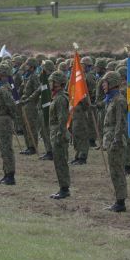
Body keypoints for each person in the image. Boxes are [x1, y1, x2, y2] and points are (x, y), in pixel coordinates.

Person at [101, 71, 128, 212]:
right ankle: (118, 199)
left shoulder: (119, 100)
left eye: (105, 83)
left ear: (112, 83)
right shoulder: (111, 99)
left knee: (117, 171)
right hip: (111, 140)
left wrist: (116, 140)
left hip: (116, 142)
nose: (103, 85)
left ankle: (120, 202)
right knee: (114, 171)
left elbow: (120, 123)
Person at [0, 62, 18, 185]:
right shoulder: (0, 88)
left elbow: (11, 105)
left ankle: (10, 176)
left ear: (2, 75)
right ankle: (6, 174)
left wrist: (10, 119)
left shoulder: (4, 89)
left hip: (4, 121)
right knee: (3, 147)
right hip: (0, 120)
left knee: (6, 148)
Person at [48, 70, 71, 199]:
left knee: (61, 161)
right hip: (56, 132)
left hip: (59, 133)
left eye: (52, 81)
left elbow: (62, 119)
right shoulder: (56, 97)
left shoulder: (61, 98)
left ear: (58, 83)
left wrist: (59, 135)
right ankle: (63, 187)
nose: (50, 83)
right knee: (58, 161)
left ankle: (64, 189)